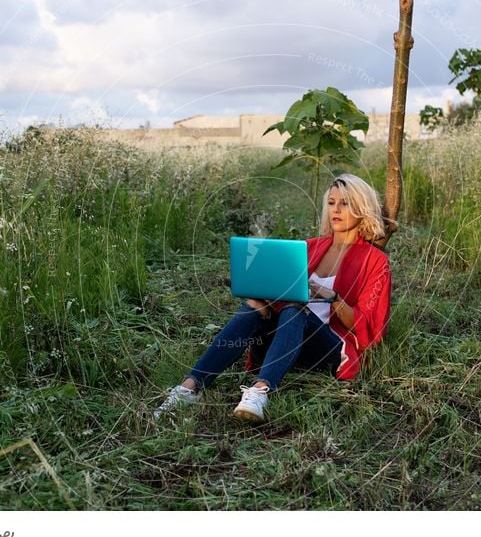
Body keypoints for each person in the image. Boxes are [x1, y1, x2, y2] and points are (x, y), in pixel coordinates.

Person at [154, 174, 392, 422]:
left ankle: (260, 392)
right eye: (331, 203)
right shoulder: (308, 247)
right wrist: (264, 296)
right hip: (285, 340)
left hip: (328, 348)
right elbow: (281, 294)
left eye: (345, 203)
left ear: (362, 208)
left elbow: (368, 327)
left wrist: (332, 297)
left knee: (295, 310)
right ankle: (189, 388)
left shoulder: (375, 261)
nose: (336, 210)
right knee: (256, 305)